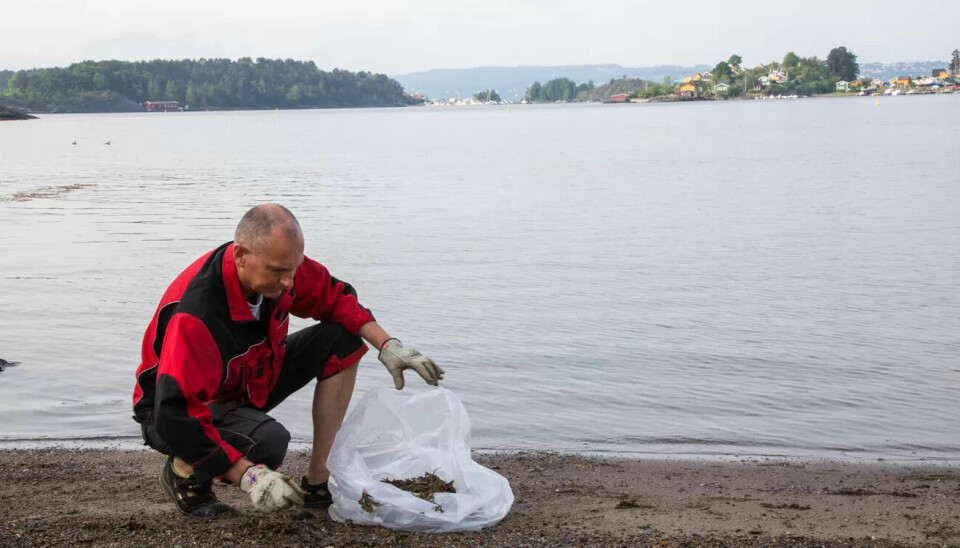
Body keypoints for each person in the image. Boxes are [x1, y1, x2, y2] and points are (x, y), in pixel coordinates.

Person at [132, 203, 444, 519]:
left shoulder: (278, 266)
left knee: (343, 338)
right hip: (169, 413)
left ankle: (317, 486)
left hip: (247, 380)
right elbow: (174, 412)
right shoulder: (196, 314)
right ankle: (183, 472)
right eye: (279, 271)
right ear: (241, 256)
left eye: (293, 269)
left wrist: (388, 344)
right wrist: (249, 476)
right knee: (268, 442)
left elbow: (336, 298)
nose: (289, 282)